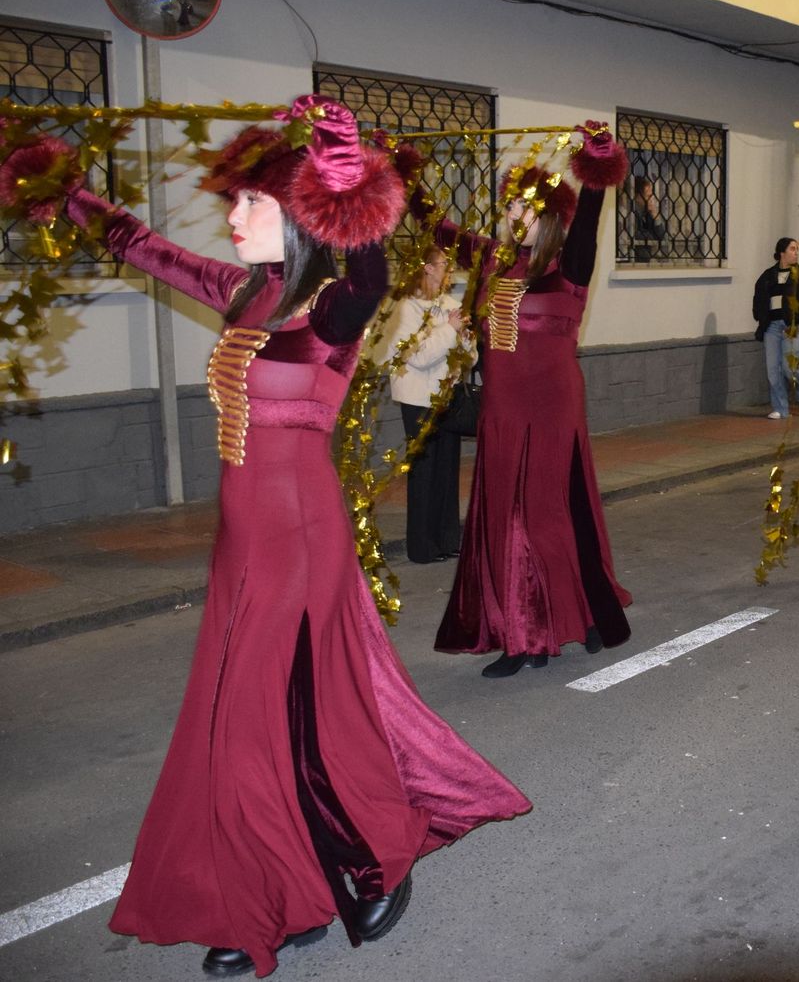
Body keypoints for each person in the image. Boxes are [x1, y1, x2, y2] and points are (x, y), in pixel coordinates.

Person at [0, 96, 531, 978]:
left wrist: (342, 167)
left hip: (299, 536)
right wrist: (65, 190)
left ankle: (322, 881)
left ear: (298, 216)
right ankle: (301, 883)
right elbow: (141, 246)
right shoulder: (246, 289)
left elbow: (370, 259)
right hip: (240, 541)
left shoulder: (334, 305)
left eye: (252, 203)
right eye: (238, 201)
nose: (234, 215)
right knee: (281, 717)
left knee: (256, 720)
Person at [410, 125, 635, 678]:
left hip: (553, 405)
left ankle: (548, 627)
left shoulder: (570, 265)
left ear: (552, 218)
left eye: (527, 208)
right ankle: (519, 629)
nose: (515, 214)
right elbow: (437, 227)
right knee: (501, 518)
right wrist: (404, 175)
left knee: (542, 517)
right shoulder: (489, 259)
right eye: (511, 205)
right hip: (503, 408)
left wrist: (597, 158)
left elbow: (593, 207)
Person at [383, 245, 472, 563]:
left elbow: (469, 356)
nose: (450, 269)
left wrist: (464, 339)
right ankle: (422, 547)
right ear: (428, 268)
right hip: (418, 398)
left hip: (447, 396)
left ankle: (447, 539)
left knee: (448, 470)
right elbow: (417, 356)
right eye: (444, 264)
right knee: (425, 472)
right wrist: (450, 330)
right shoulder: (406, 308)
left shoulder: (450, 304)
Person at [752, 236, 799, 419]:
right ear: (781, 253)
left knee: (789, 366)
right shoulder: (768, 276)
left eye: (797, 249)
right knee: (773, 369)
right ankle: (780, 408)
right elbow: (759, 298)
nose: (796, 252)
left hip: (794, 324)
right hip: (772, 327)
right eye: (792, 249)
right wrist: (760, 316)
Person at [628, 175, 666, 261]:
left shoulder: (647, 213)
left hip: (644, 260)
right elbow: (635, 235)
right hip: (634, 261)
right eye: (648, 196)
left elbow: (660, 236)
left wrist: (655, 214)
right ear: (637, 196)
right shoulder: (630, 213)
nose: (651, 199)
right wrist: (651, 235)